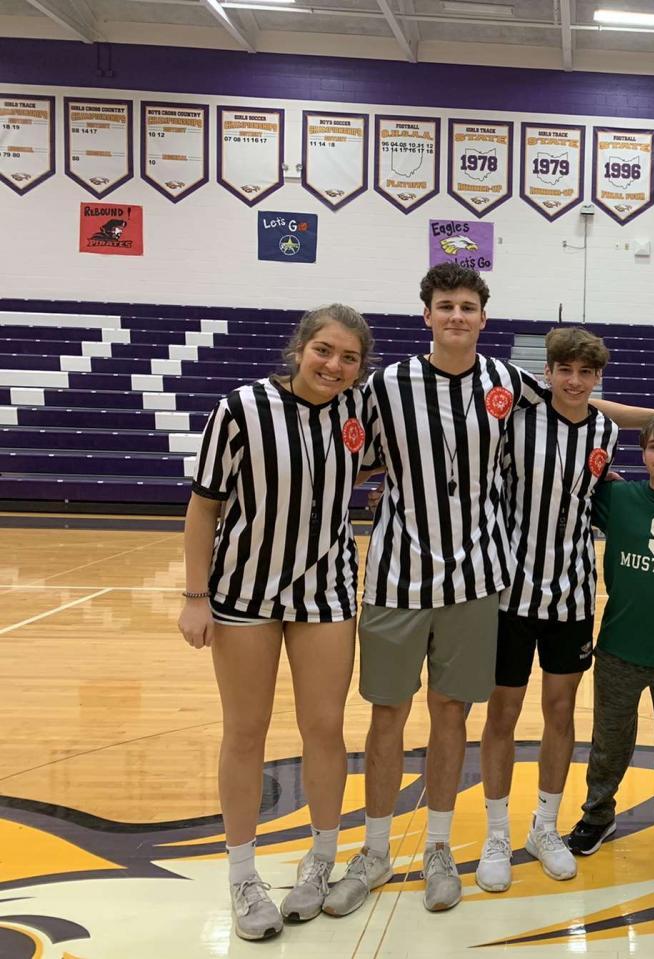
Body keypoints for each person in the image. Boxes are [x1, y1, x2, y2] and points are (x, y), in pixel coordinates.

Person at [323, 264, 545, 917]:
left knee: (452, 713)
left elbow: (576, 409)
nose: (456, 315)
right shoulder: (385, 385)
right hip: (397, 575)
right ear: (426, 315)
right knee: (387, 714)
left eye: (467, 306)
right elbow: (336, 442)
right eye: (445, 305)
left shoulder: (507, 381)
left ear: (483, 317)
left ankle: (440, 847)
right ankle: (374, 851)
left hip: (476, 578)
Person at [178, 304, 375, 941]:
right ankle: (242, 876)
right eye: (324, 350)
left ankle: (320, 860)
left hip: (326, 592)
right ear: (300, 348)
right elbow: (203, 507)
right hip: (243, 593)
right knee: (245, 731)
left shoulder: (358, 412)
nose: (334, 365)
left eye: (349, 357)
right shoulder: (241, 408)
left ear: (360, 368)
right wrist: (195, 596)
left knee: (324, 727)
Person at [475, 327, 618, 892]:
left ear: (597, 377)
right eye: (566, 371)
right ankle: (495, 833)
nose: (575, 382)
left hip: (573, 593)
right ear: (549, 372)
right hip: (510, 591)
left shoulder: (605, 431)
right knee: (503, 713)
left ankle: (545, 827)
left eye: (586, 373)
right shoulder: (517, 421)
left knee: (560, 711)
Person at [563, 413, 654, 869]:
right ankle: (597, 815)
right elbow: (571, 474)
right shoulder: (618, 497)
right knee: (609, 740)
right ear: (642, 453)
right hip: (618, 647)